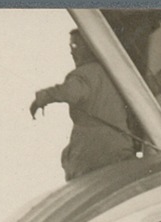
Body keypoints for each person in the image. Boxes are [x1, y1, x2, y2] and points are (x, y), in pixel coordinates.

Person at [29, 30, 135, 181]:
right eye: (71, 46)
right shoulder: (115, 72)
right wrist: (157, 82)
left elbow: (71, 92)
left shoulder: (84, 74)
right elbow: (135, 90)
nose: (72, 51)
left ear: (90, 47)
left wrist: (42, 98)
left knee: (87, 185)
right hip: (119, 143)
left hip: (92, 147)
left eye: (76, 45)